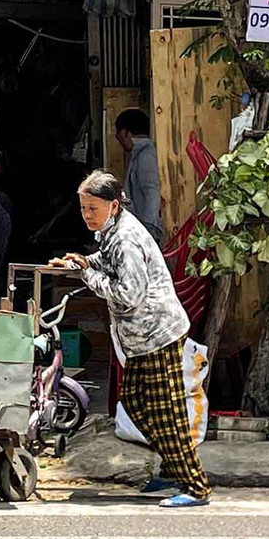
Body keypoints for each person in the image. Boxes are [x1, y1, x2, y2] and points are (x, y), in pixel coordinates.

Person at [52, 171, 211, 508]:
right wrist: (83, 262)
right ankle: (171, 469)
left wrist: (88, 275)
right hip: (140, 338)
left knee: (165, 412)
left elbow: (130, 293)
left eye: (93, 208)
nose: (87, 215)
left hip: (156, 333)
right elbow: (107, 260)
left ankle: (196, 486)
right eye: (83, 208)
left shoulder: (125, 237)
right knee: (137, 406)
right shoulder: (112, 231)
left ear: (113, 205)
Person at [114, 109, 163, 242]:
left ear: (125, 133)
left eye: (117, 134)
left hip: (146, 233)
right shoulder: (140, 154)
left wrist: (148, 234)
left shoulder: (146, 155)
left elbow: (152, 194)